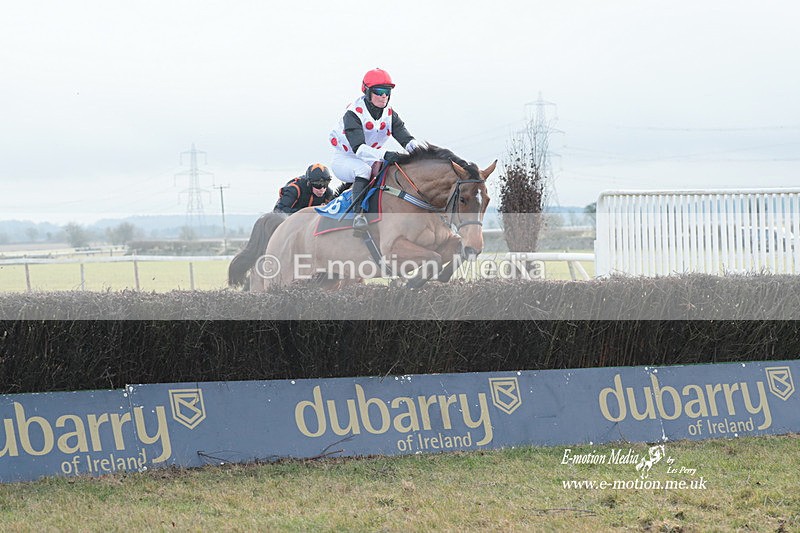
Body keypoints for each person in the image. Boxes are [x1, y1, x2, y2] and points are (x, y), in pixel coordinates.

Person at [329, 68, 426, 230]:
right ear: (367, 91)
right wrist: (386, 154)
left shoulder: (390, 114)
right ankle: (358, 216)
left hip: (371, 158)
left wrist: (423, 154)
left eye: (387, 92)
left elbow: (406, 139)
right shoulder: (353, 114)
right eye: (379, 91)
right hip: (345, 159)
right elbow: (359, 149)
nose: (384, 96)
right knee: (363, 171)